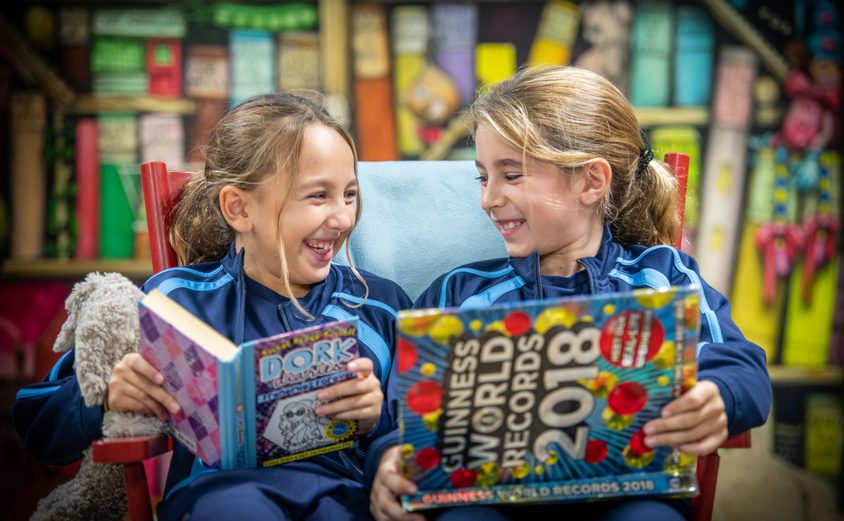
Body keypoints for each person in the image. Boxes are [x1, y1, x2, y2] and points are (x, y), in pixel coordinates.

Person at [370, 66, 771, 521]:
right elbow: (397, 412)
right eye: (483, 177)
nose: (488, 199)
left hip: (629, 497)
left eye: (512, 175)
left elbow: (743, 365)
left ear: (591, 182)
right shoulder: (460, 293)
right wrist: (388, 459)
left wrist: (717, 396)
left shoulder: (661, 278)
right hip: (492, 503)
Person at [14, 92, 411, 521]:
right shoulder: (174, 303)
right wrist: (105, 396)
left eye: (349, 195)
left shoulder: (379, 306)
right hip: (221, 497)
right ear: (239, 208)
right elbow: (36, 422)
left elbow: (421, 442)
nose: (342, 218)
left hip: (344, 498)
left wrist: (375, 423)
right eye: (318, 197)